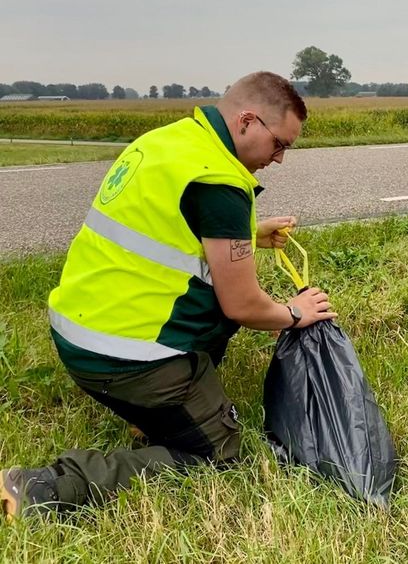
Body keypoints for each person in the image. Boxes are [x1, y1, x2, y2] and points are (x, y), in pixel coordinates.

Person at [1, 71, 336, 519]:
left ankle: (152, 414)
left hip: (78, 332)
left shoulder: (169, 142)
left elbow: (166, 230)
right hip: (122, 355)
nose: (279, 159)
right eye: (280, 144)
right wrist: (296, 312)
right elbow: (243, 305)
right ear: (247, 122)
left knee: (210, 329)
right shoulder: (218, 181)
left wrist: (247, 234)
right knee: (219, 454)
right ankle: (47, 486)